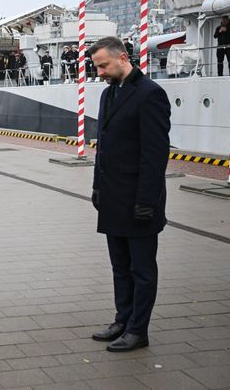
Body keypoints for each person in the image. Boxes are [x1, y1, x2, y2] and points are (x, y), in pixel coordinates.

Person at [90, 36, 170, 352]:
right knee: (120, 267)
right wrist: (97, 186)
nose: (99, 73)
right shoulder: (109, 94)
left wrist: (146, 202)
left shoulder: (150, 95)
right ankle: (122, 320)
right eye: (97, 67)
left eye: (103, 65)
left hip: (139, 201)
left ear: (123, 58)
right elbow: (104, 148)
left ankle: (139, 330)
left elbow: (154, 155)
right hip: (113, 199)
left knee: (142, 269)